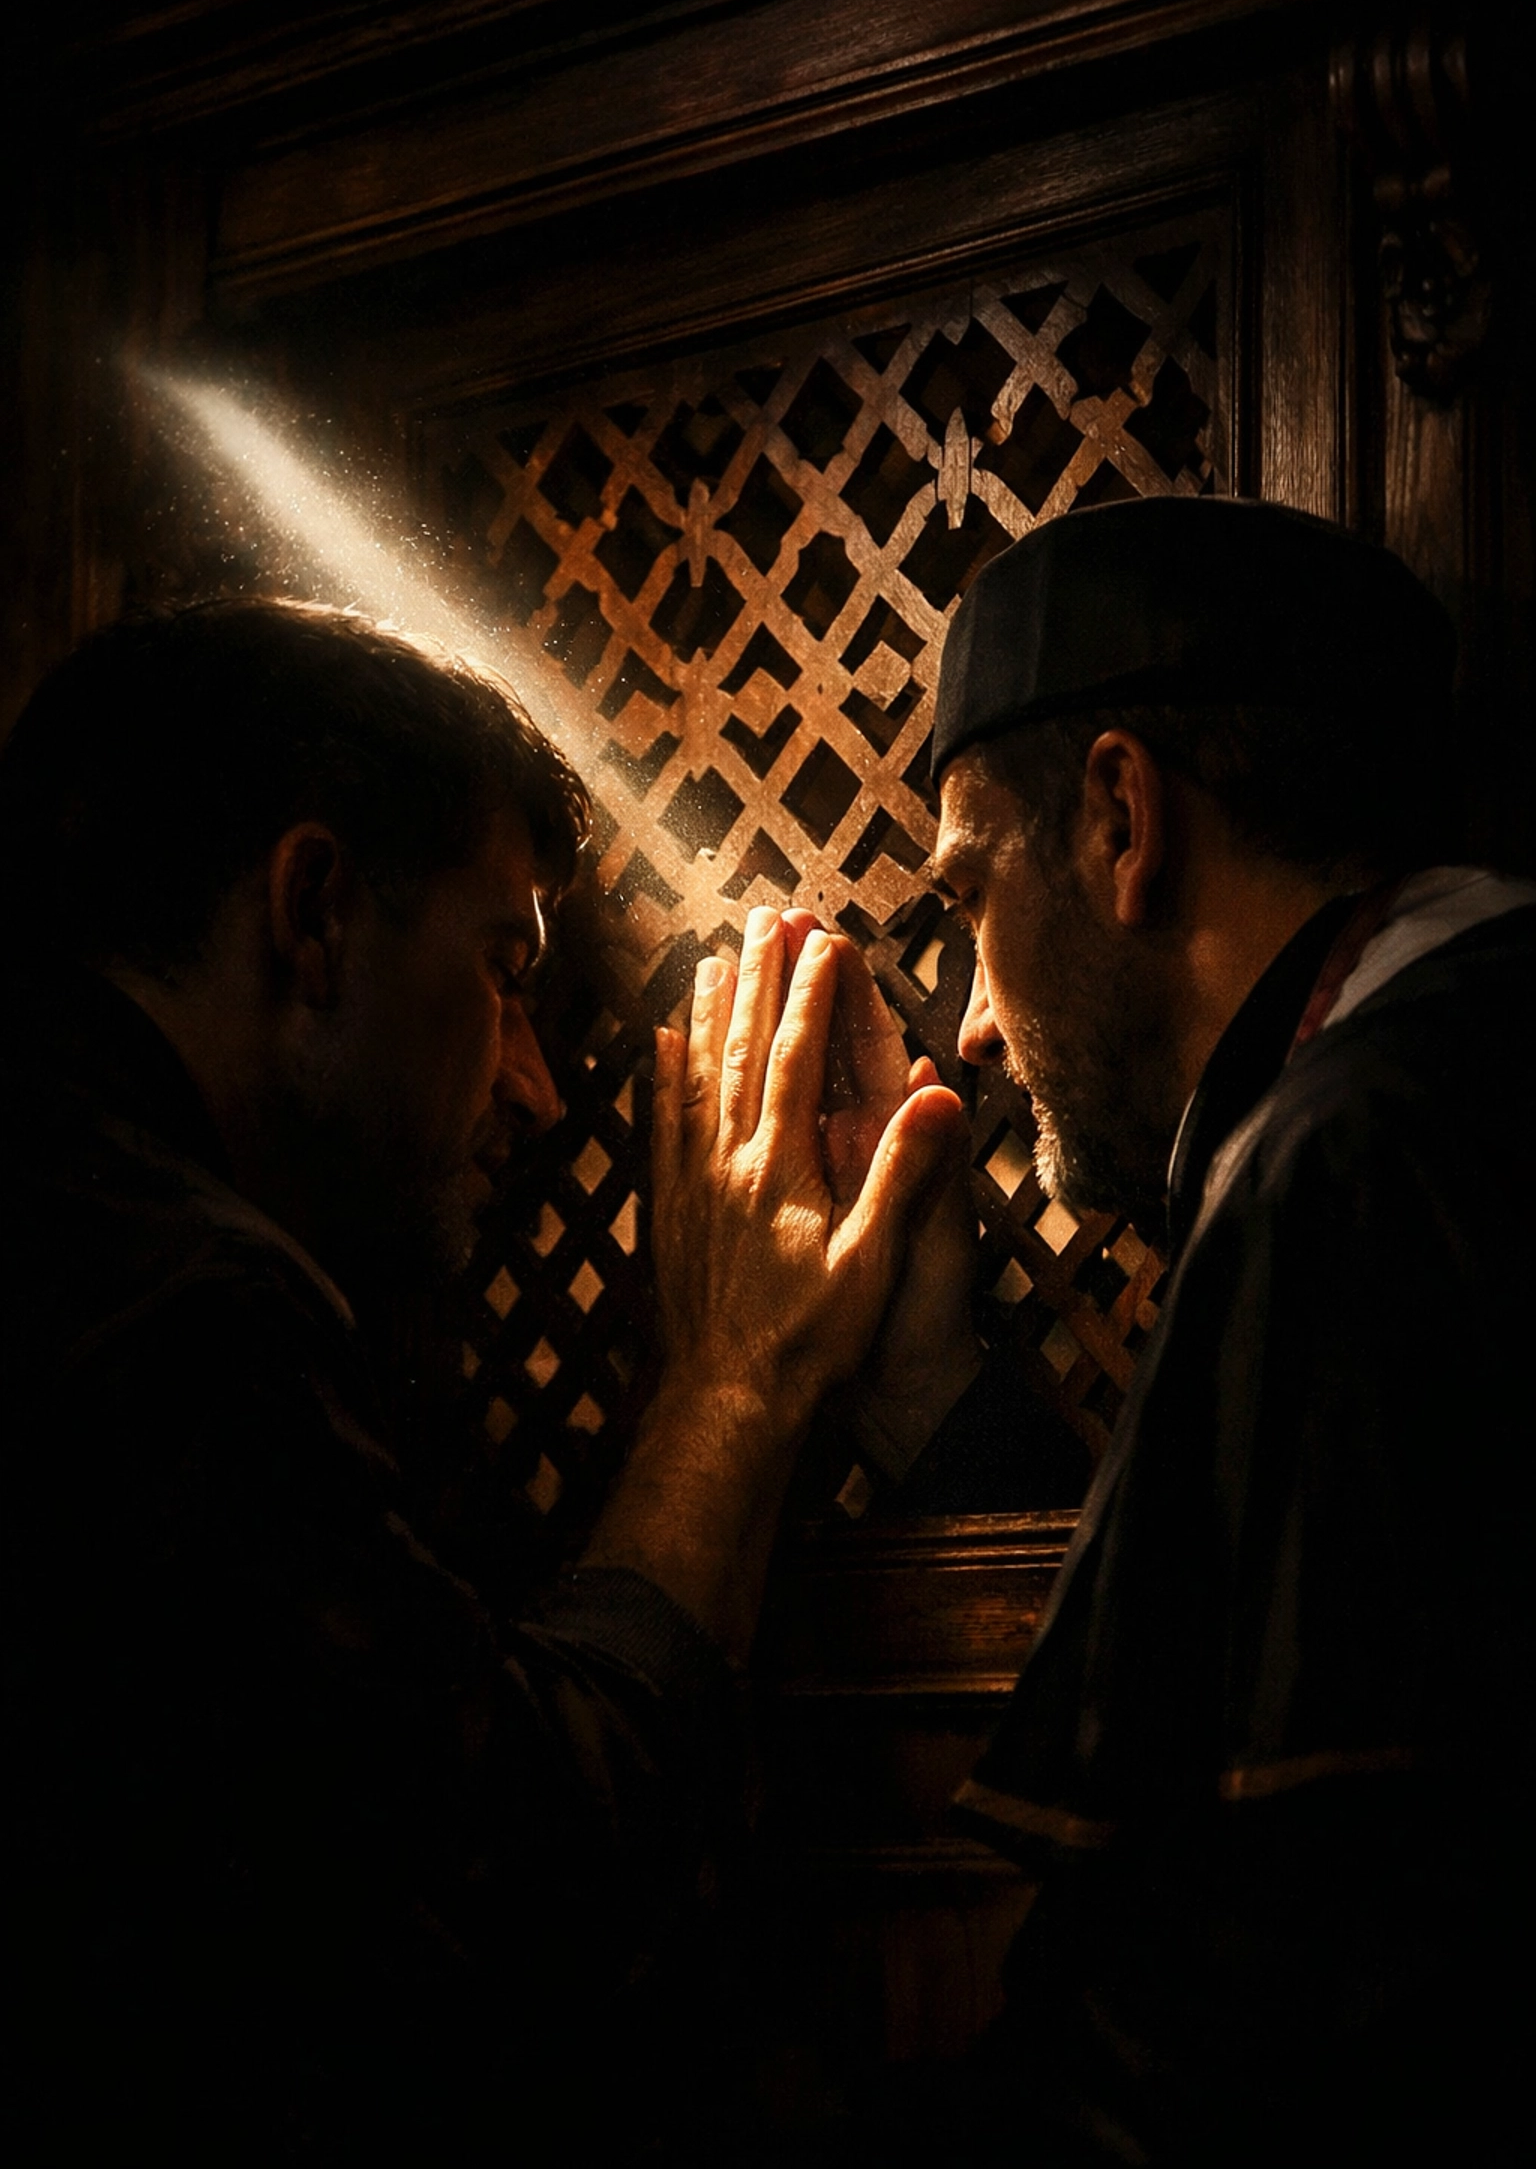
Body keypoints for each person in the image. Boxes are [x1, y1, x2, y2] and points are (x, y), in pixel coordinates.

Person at [0, 599, 958, 2163]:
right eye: (505, 972)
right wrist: (730, 1385)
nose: (528, 1082)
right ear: (313, 911)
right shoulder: (159, 1305)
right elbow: (502, 1907)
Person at [657, 498, 1533, 2163]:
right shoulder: (1459, 1061)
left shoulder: (1343, 1157)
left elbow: (1242, 1999)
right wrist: (930, 1392)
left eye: (974, 891)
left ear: (1123, 817)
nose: (973, 1026)